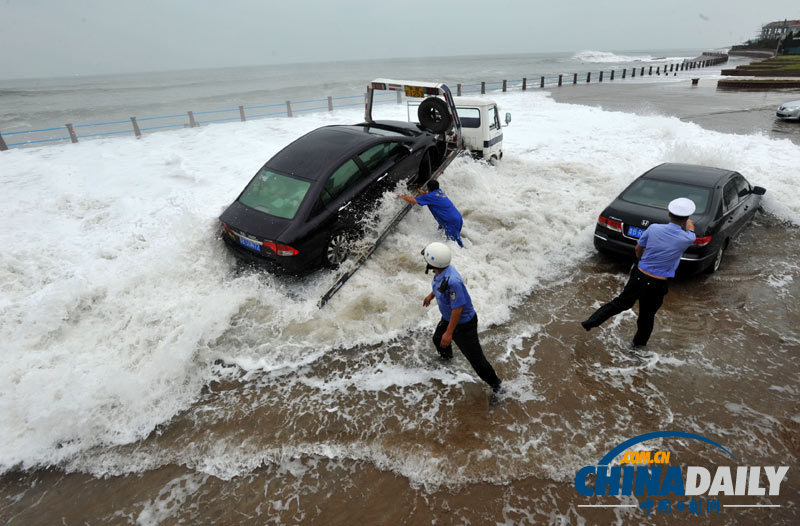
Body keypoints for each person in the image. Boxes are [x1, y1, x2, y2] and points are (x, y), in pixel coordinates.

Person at [581, 197, 698, 348]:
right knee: (646, 317)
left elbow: (638, 248)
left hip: (639, 275)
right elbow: (691, 232)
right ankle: (637, 347)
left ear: (669, 213)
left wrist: (641, 259)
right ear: (687, 218)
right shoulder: (686, 238)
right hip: (658, 283)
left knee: (620, 303)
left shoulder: (654, 228)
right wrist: (689, 225)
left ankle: (590, 322)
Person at [420, 241, 502, 395]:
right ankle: (447, 361)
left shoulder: (453, 282)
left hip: (463, 325)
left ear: (433, 263)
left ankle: (498, 386)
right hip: (448, 317)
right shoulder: (441, 272)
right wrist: (431, 295)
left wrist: (449, 333)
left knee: (477, 361)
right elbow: (439, 287)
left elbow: (457, 309)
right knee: (438, 339)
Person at [399, 180, 464, 247]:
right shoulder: (440, 192)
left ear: (428, 188)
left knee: (453, 245)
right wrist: (423, 193)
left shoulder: (430, 196)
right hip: (457, 218)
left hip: (450, 222)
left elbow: (413, 200)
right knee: (447, 240)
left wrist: (402, 196)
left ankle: (463, 255)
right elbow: (431, 196)